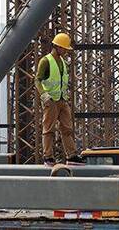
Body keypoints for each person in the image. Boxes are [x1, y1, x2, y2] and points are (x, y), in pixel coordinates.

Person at [35, 32, 85, 166]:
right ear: (57, 46)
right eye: (64, 49)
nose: (66, 52)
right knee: (49, 129)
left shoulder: (62, 62)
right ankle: (48, 156)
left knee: (67, 128)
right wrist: (44, 95)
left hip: (62, 100)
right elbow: (37, 80)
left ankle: (72, 155)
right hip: (51, 101)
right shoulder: (46, 61)